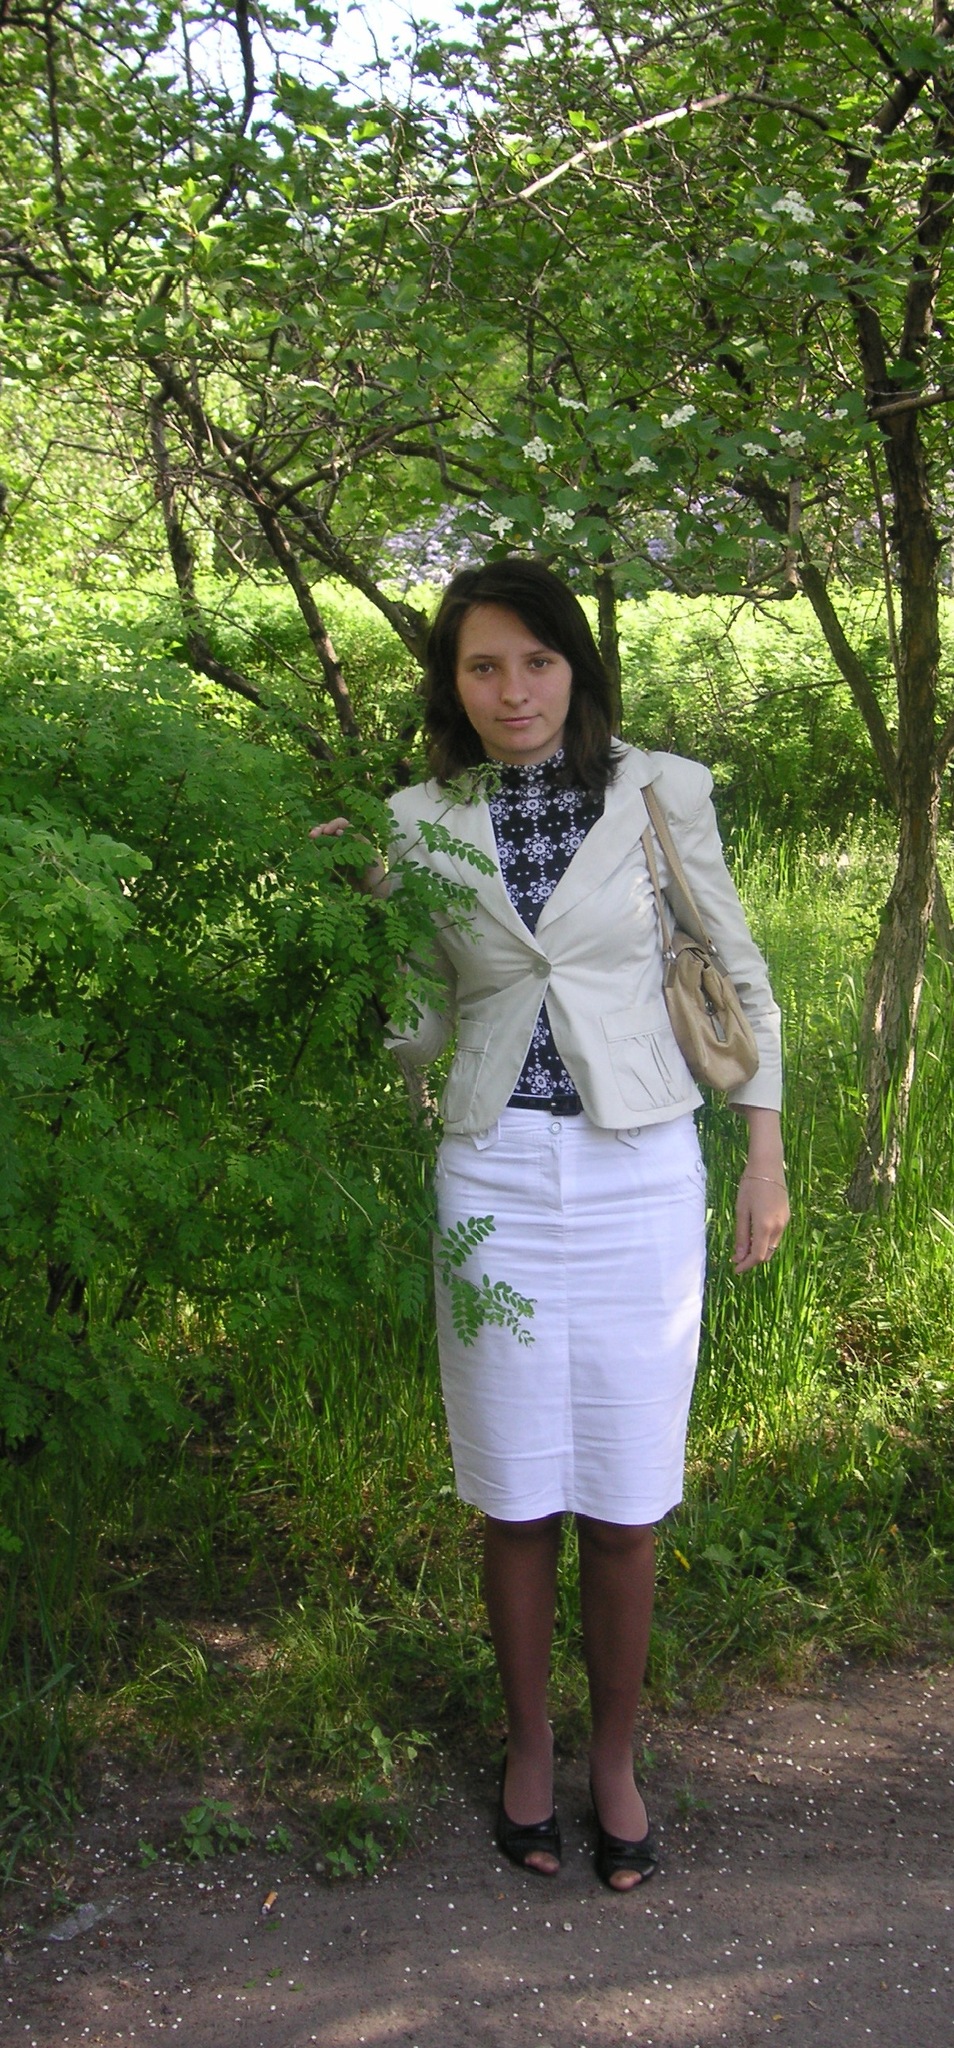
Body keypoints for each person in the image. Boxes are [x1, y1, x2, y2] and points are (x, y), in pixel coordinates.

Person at [312, 558, 789, 1890]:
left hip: (640, 1170)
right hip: (494, 1175)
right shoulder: (417, 821)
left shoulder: (658, 791)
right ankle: (530, 1748)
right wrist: (364, 907)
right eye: (483, 666)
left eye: (536, 661)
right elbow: (416, 1025)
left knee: (626, 1502)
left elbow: (736, 970)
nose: (512, 690)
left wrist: (763, 1153)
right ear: (452, 685)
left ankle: (614, 1760)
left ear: (575, 668)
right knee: (515, 1495)